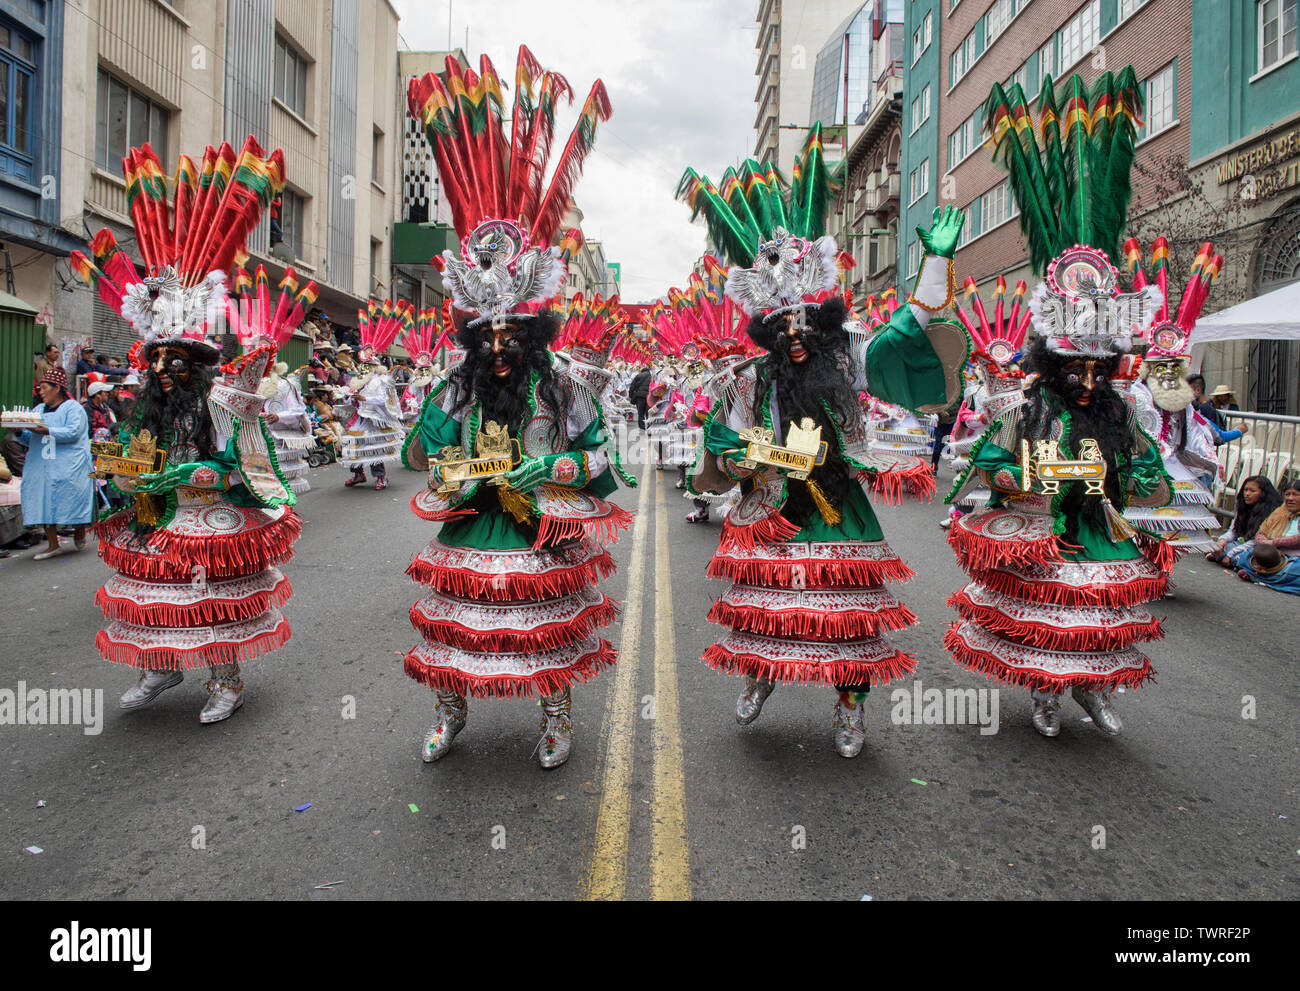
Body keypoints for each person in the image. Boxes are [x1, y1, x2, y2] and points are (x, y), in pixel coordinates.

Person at [403, 46, 629, 769]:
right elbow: (418, 455)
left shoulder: (560, 385)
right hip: (474, 525)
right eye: (487, 337)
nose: (499, 349)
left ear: (531, 333)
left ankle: (556, 719)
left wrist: (555, 465)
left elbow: (604, 455)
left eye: (511, 336)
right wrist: (449, 467)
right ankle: (450, 713)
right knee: (457, 630)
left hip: (539, 529)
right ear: (473, 335)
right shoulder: (459, 386)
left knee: (545, 630)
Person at [686, 191, 966, 755]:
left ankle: (850, 711)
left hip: (840, 506)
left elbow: (900, 339)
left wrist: (935, 268)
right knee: (771, 608)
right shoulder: (751, 379)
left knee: (848, 617)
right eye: (781, 328)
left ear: (823, 322)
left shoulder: (847, 359)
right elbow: (723, 441)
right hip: (772, 509)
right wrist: (750, 458)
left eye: (804, 325)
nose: (793, 337)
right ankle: (760, 677)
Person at [946, 67, 1174, 739]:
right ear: (1053, 361)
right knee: (1054, 613)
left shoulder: (1117, 408)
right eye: (1070, 366)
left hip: (1098, 527)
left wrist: (1133, 478)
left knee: (1099, 614)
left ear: (1105, 365)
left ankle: (1093, 691)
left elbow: (1148, 465)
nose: (1082, 378)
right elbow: (993, 457)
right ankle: (1047, 691)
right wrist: (1008, 476)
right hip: (1048, 525)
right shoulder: (1030, 405)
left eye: (1092, 367)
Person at [70, 134, 300, 723]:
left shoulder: (218, 402)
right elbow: (130, 452)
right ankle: (161, 668)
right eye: (158, 363)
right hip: (153, 514)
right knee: (154, 597)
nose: (166, 374)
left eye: (178, 364)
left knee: (209, 601)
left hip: (203, 516)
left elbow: (239, 466)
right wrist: (116, 463)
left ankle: (226, 681)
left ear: (196, 365)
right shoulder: (144, 405)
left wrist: (192, 472)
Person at [13, 366, 94, 559]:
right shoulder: (38, 410)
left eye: (43, 387)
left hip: (68, 465)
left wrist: (48, 430)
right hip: (41, 465)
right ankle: (53, 544)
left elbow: (74, 432)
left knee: (71, 498)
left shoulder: (74, 409)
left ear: (56, 388)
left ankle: (79, 529)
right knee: (43, 499)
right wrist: (17, 431)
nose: (40, 392)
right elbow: (29, 438)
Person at [339, 304, 409, 491]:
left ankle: (380, 477)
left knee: (373, 448)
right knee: (354, 445)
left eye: (368, 366)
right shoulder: (358, 380)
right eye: (363, 366)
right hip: (359, 418)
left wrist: (363, 399)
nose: (364, 369)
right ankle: (358, 474)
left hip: (374, 420)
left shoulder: (381, 380)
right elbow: (352, 399)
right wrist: (349, 398)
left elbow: (383, 401)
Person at [1236, 481, 1300, 593]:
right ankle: (1268, 576)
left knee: (1293, 569)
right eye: (1287, 494)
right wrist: (1268, 546)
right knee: (1246, 555)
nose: (1290, 498)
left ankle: (1258, 576)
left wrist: (1273, 543)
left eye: (1295, 494)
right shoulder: (1280, 512)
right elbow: (1260, 533)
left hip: (1294, 559)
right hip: (1273, 554)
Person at [1207, 475, 1281, 568]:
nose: (1247, 494)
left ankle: (1234, 561)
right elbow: (1233, 531)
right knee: (1218, 548)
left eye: (1252, 491)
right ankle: (1225, 557)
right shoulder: (1243, 506)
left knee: (1234, 557)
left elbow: (1255, 541)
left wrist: (1230, 554)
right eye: (1245, 490)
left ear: (1263, 494)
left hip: (1258, 548)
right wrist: (1222, 540)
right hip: (1240, 544)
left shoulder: (1271, 512)